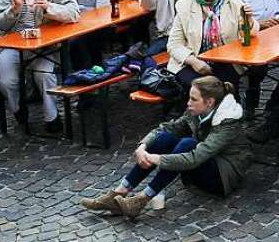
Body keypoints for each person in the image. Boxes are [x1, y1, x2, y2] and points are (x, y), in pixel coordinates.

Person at [80, 75, 248, 219]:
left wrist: (156, 158)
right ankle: (119, 192)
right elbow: (168, 128)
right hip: (201, 166)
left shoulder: (228, 122)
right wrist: (142, 147)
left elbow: (196, 157)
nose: (188, 103)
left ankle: (142, 200)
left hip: (222, 176)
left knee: (187, 144)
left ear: (210, 102)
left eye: (193, 99)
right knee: (167, 138)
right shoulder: (196, 110)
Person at [0, 0, 80, 130]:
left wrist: (49, 8)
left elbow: (74, 12)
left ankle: (52, 118)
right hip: (14, 45)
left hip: (45, 45)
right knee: (5, 80)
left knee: (44, 74)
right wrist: (13, 10)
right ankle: (18, 109)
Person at [167, 0, 258, 92]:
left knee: (223, 88)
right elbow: (174, 45)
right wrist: (194, 62)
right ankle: (193, 111)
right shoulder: (184, 6)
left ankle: (229, 110)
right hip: (193, 59)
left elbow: (251, 34)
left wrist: (249, 20)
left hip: (226, 60)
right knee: (198, 88)